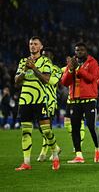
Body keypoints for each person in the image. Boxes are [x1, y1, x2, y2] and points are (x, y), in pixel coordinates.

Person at [14, 36, 60, 171]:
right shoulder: (23, 61)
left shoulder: (46, 61)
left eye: (35, 44)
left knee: (46, 131)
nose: (32, 46)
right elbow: (16, 82)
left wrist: (33, 68)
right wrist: (24, 70)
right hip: (25, 100)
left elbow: (46, 79)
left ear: (41, 47)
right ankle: (26, 162)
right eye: (30, 44)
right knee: (26, 132)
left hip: (40, 100)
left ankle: (55, 153)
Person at [61, 42, 99, 163]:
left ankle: (98, 149)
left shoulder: (92, 62)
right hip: (75, 100)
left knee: (91, 125)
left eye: (82, 50)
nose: (79, 52)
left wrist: (78, 69)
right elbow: (64, 82)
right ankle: (79, 155)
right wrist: (70, 70)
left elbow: (91, 79)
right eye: (77, 50)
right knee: (75, 127)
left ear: (86, 51)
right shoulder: (72, 64)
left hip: (89, 100)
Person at [37, 47, 62, 162]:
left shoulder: (56, 69)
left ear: (52, 57)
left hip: (50, 101)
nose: (43, 57)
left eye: (46, 55)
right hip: (38, 99)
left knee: (47, 128)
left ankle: (45, 151)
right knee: (41, 128)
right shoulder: (39, 67)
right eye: (42, 55)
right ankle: (55, 148)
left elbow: (52, 81)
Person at [62, 56, 86, 153]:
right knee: (67, 123)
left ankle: (79, 142)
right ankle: (77, 139)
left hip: (80, 99)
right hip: (70, 99)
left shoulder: (83, 68)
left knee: (79, 122)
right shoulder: (66, 68)